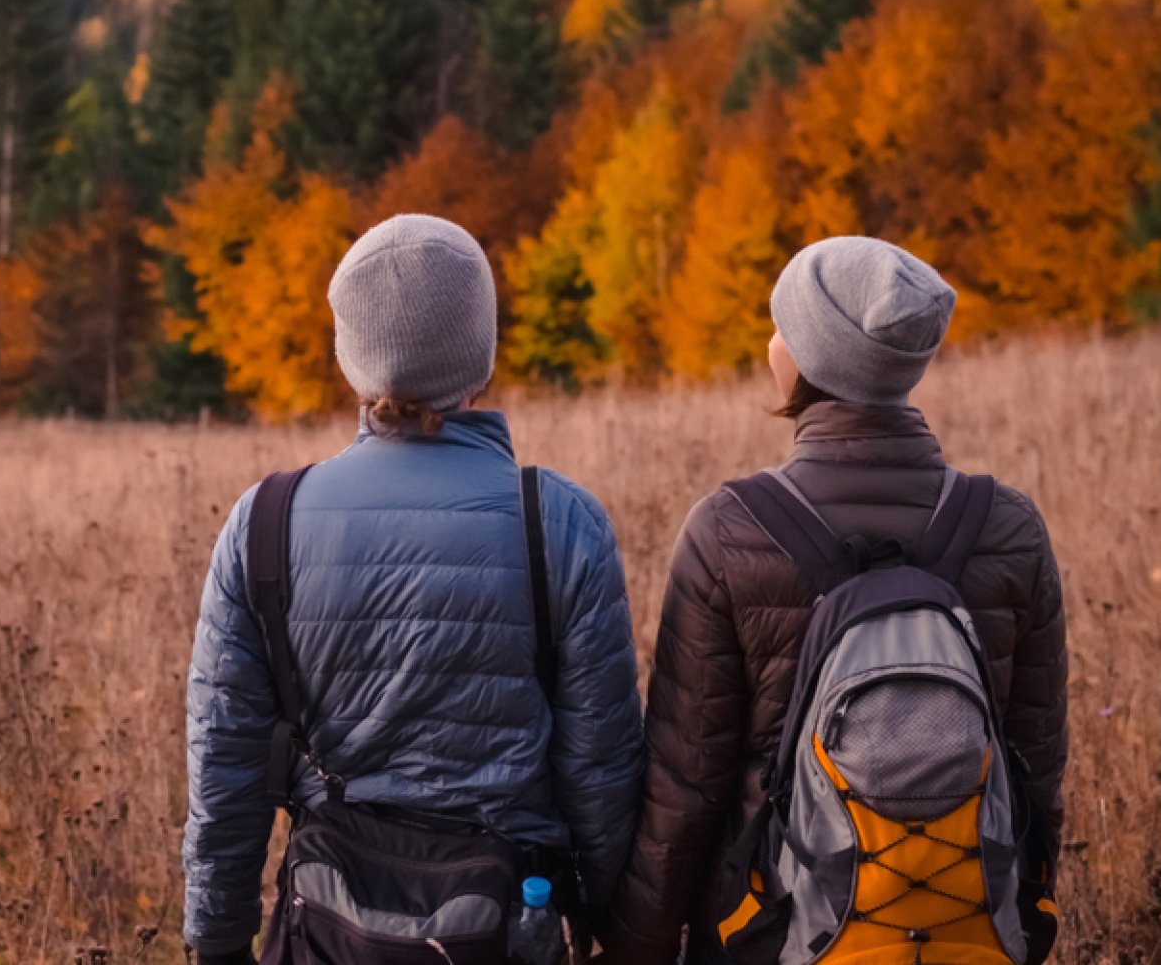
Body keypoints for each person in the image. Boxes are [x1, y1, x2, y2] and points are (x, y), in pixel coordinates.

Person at [182, 214, 645, 964]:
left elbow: (223, 771)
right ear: (481, 350)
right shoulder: (558, 520)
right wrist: (613, 923)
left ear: (350, 358)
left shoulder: (264, 522)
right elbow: (601, 773)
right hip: (509, 928)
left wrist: (219, 942)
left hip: (330, 927)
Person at [602, 236, 1069, 964]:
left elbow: (685, 788)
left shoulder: (728, 532)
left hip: (776, 930)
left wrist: (641, 946)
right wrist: (1022, 916)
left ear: (808, 358)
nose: (770, 341)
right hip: (970, 929)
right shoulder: (1008, 527)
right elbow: (1036, 771)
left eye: (782, 326)